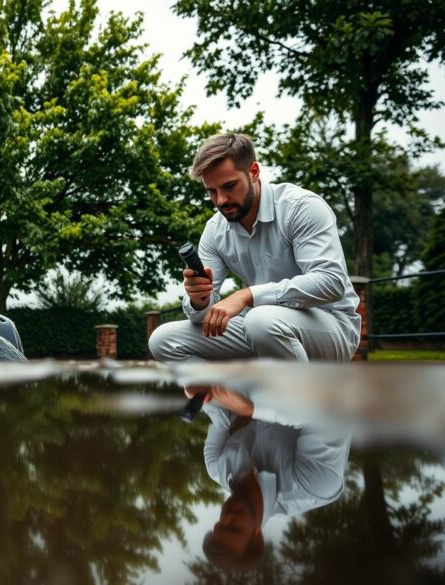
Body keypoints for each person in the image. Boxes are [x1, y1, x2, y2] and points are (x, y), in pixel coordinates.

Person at [148, 133, 361, 362]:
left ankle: (303, 396)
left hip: (330, 325)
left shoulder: (301, 207)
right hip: (261, 327)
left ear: (254, 172)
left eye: (229, 186)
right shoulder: (214, 231)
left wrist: (248, 295)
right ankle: (229, 396)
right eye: (211, 191)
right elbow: (201, 315)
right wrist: (198, 300)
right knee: (162, 340)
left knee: (260, 320)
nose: (220, 200)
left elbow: (331, 282)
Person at [197, 386, 352, 570]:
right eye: (234, 528)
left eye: (220, 524)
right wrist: (252, 410)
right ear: (257, 535)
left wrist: (204, 394)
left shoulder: (215, 466)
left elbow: (218, 412)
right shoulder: (315, 487)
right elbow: (327, 408)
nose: (228, 516)